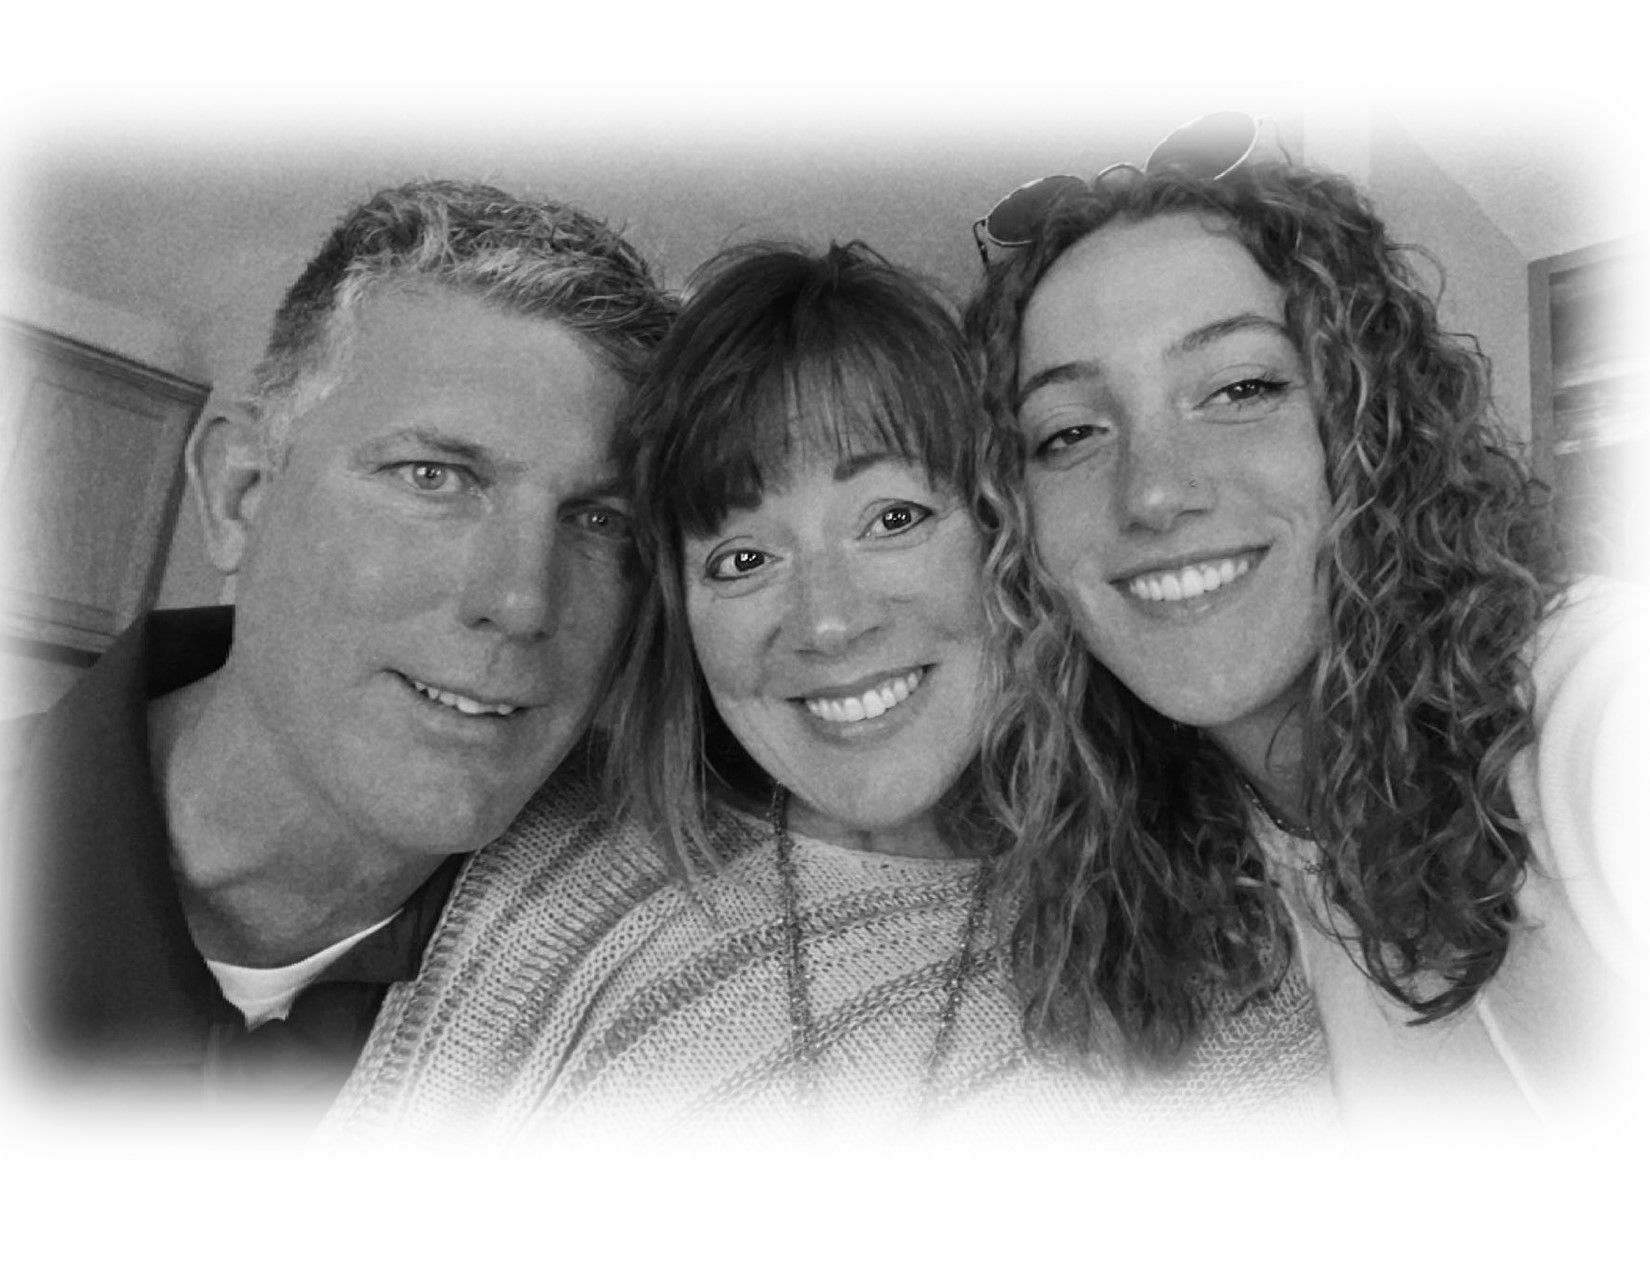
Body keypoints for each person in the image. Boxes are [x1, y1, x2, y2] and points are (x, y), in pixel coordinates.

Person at [326, 242, 1336, 1139]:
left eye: (893, 518)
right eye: (743, 558)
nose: (827, 622)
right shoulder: (557, 866)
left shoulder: (1214, 964)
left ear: (1009, 543)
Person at [965, 156, 1648, 1131]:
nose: (1154, 491)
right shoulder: (1177, 860)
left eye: (1240, 387)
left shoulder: (1587, 716)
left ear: (1372, 426)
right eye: (1070, 434)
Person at [4, 179, 675, 1111]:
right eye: (434, 477)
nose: (522, 601)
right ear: (240, 494)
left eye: (602, 520)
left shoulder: (658, 952)